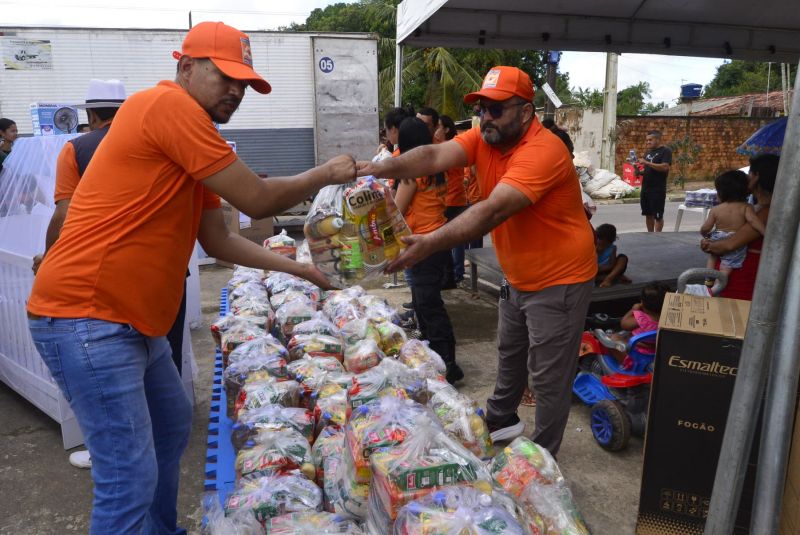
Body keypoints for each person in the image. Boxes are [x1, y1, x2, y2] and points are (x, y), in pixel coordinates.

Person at [27, 21, 355, 535]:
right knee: (125, 476)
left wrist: (299, 269)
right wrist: (323, 174)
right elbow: (258, 199)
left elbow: (218, 240)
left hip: (130, 322)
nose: (236, 91)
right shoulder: (167, 107)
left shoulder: (191, 141)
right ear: (185, 67)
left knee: (172, 425)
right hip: (89, 315)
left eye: (244, 84)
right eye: (225, 76)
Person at [357, 66, 596, 456]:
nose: (486, 117)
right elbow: (433, 155)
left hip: (559, 279)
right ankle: (502, 418)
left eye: (496, 109)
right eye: (482, 108)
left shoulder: (543, 150)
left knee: (548, 375)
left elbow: (490, 211)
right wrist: (376, 167)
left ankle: (543, 454)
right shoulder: (487, 138)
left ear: (525, 111)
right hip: (517, 273)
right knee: (509, 351)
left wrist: (430, 243)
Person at [32, 79, 128, 471]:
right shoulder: (153, 144)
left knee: (106, 376)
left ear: (89, 114)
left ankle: (106, 449)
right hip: (150, 274)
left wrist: (47, 255)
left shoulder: (76, 149)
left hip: (95, 276)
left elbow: (65, 213)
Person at [394, 117, 463, 384]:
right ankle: (438, 356)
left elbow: (396, 211)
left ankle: (448, 363)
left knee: (428, 305)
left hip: (424, 244)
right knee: (427, 303)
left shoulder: (411, 174)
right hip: (437, 240)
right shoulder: (435, 167)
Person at [701, 154, 777, 300]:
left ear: (755, 177)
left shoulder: (765, 212)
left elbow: (730, 245)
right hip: (736, 276)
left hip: (742, 280)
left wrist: (710, 245)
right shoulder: (755, 208)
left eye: (749, 173)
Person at [604, 282, 668, 365]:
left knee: (614, 337)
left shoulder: (642, 319)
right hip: (654, 353)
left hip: (636, 356)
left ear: (642, 303)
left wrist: (634, 310)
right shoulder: (668, 320)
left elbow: (624, 324)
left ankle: (625, 362)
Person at [439, 115, 469, 285]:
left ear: (446, 130)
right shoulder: (455, 146)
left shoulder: (447, 148)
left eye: (438, 127)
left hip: (452, 198)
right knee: (454, 240)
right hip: (455, 197)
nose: (435, 130)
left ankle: (455, 273)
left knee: (452, 240)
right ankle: (455, 273)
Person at [638, 130, 672, 232]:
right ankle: (650, 236)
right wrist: (637, 171)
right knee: (648, 214)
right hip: (645, 189)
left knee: (658, 216)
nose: (647, 142)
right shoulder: (648, 152)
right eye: (647, 140)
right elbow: (647, 170)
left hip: (657, 190)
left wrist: (646, 163)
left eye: (650, 140)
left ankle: (657, 237)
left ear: (657, 139)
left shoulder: (666, 151)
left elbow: (665, 167)